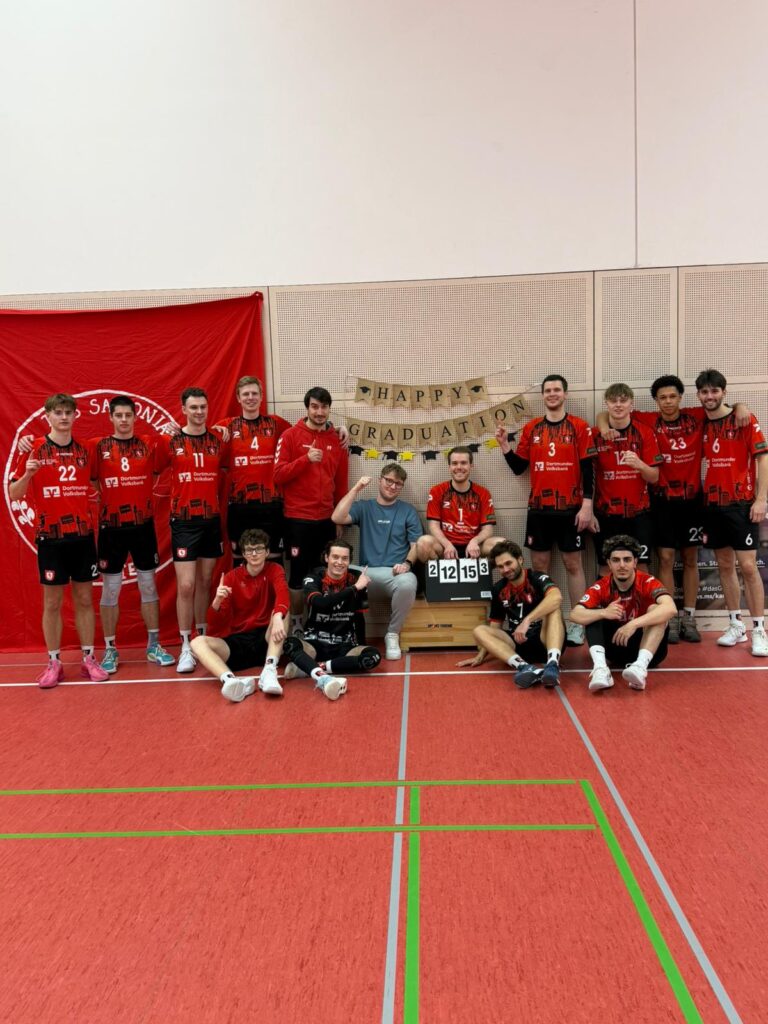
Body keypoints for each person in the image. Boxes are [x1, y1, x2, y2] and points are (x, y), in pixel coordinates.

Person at [596, 377, 750, 643]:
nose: (668, 401)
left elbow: (722, 406)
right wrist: (601, 425)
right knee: (666, 558)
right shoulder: (647, 419)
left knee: (690, 559)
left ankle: (688, 616)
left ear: (680, 397)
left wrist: (741, 406)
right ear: (656, 401)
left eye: (672, 396)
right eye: (662, 397)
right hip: (662, 501)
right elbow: (608, 413)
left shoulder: (696, 415)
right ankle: (669, 618)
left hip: (692, 500)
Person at [9, 393, 109, 686]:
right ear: (48, 416)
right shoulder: (33, 448)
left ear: (75, 416)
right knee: (52, 602)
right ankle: (54, 662)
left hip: (82, 536)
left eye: (68, 412)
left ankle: (89, 659)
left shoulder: (85, 449)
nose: (64, 417)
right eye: (58, 412)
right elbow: (14, 494)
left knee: (84, 599)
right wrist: (28, 475)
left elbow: (99, 477)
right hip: (51, 538)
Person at [496, 374, 596, 647]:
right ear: (543, 395)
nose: (552, 394)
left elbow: (588, 468)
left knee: (573, 565)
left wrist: (587, 505)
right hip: (539, 510)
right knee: (539, 567)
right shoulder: (532, 428)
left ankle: (577, 624)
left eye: (556, 390)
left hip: (570, 509)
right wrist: (505, 446)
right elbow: (519, 467)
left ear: (565, 394)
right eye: (548, 390)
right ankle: (545, 622)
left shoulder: (579, 427)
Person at [90, 395, 175, 672]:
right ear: (111, 417)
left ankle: (153, 645)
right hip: (111, 527)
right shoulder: (98, 447)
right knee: (111, 588)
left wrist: (173, 432)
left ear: (135, 417)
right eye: (119, 415)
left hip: (142, 526)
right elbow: (93, 480)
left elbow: (167, 460)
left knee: (148, 585)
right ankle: (110, 649)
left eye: (128, 415)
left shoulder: (149, 444)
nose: (124, 420)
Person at [154, 387, 228, 673]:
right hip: (184, 521)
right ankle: (185, 644)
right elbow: (153, 466)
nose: (199, 412)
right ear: (184, 410)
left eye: (203, 407)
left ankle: (201, 640)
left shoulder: (218, 439)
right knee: (186, 585)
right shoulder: (171, 439)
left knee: (206, 581)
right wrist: (163, 433)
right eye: (193, 407)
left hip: (211, 519)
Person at [696, 369, 768, 656]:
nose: (710, 396)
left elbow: (762, 459)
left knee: (749, 567)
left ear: (724, 392)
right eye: (705, 392)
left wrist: (761, 499)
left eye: (715, 391)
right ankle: (736, 625)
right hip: (714, 506)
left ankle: (759, 629)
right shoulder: (701, 423)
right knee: (724, 566)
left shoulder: (744, 419)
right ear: (699, 395)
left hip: (742, 504)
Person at [274, 387, 349, 633]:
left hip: (326, 520)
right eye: (315, 407)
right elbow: (278, 475)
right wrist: (305, 459)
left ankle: (320, 624)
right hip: (297, 519)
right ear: (307, 408)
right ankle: (297, 625)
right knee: (297, 576)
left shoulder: (337, 439)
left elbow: (341, 483)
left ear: (329, 409)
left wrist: (339, 519)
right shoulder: (290, 436)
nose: (319, 412)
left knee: (325, 575)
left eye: (324, 407)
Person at [332, 464, 422, 660]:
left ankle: (392, 635)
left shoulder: (408, 511)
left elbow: (416, 545)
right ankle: (336, 636)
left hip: (394, 574)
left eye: (398, 483)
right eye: (389, 480)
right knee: (333, 572)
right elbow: (337, 516)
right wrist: (356, 488)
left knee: (408, 582)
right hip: (365, 573)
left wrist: (407, 564)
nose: (392, 486)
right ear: (380, 480)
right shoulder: (365, 507)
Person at [570, 534, 676, 692]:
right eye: (616, 560)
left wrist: (633, 624)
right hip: (616, 649)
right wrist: (604, 612)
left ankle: (640, 667)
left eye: (627, 560)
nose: (622, 565)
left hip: (648, 649)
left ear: (635, 562)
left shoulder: (647, 581)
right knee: (593, 613)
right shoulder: (601, 586)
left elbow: (671, 608)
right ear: (609, 563)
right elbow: (574, 614)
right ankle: (601, 670)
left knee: (657, 609)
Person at [190, 529, 288, 700]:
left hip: (267, 640)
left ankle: (269, 671)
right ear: (243, 554)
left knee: (282, 612)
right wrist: (217, 601)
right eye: (249, 550)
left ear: (267, 552)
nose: (254, 554)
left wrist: (278, 615)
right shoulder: (231, 578)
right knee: (197, 642)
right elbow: (214, 624)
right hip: (239, 642)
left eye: (259, 549)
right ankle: (231, 681)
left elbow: (283, 594)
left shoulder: (275, 569)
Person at [282, 539, 382, 699]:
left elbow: (358, 615)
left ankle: (313, 668)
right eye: (335, 557)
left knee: (373, 657)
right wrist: (355, 588)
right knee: (289, 644)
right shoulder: (313, 577)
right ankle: (322, 675)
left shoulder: (357, 578)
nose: (339, 562)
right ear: (326, 557)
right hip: (314, 642)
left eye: (344, 558)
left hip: (344, 645)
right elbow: (320, 604)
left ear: (349, 560)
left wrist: (361, 645)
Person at [458, 540, 564, 688]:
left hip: (545, 639)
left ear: (520, 559)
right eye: (501, 566)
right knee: (479, 630)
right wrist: (481, 655)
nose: (505, 569)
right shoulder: (498, 589)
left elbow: (557, 597)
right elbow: (495, 626)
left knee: (554, 609)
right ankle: (524, 667)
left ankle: (552, 665)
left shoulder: (537, 577)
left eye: (508, 563)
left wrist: (527, 621)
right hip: (518, 644)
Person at [213, 375, 291, 567]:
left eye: (254, 393)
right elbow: (196, 437)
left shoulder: (276, 423)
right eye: (246, 394)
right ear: (238, 398)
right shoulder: (227, 426)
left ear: (261, 396)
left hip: (271, 505)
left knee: (273, 561)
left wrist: (332, 427)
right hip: (240, 505)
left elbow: (304, 432)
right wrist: (175, 431)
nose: (250, 397)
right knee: (241, 561)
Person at [591, 383, 662, 572]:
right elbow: (586, 476)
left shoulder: (644, 432)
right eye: (613, 401)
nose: (618, 405)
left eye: (623, 400)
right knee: (606, 567)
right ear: (606, 404)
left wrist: (640, 464)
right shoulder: (595, 434)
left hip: (639, 514)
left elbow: (654, 477)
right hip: (606, 514)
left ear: (632, 404)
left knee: (641, 566)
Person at [418, 446, 505, 559]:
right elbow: (433, 526)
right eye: (454, 463)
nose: (459, 467)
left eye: (463, 463)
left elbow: (488, 529)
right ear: (449, 466)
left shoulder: (483, 493)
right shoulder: (437, 491)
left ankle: (482, 569)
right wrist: (447, 544)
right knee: (423, 542)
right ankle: (441, 569)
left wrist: (475, 541)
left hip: (474, 546)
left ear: (471, 466)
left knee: (503, 545)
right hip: (445, 546)